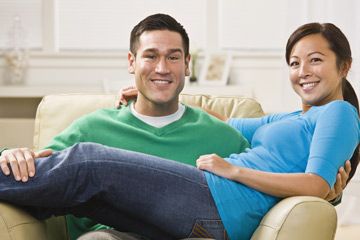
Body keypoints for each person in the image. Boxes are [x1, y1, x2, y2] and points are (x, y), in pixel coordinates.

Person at [0, 20, 358, 240]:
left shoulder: (340, 113)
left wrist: (235, 171)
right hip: (212, 210)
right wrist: (152, 87)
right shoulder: (291, 120)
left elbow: (317, 184)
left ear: (344, 66)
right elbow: (224, 120)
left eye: (316, 60)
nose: (303, 71)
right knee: (87, 195)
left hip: (219, 200)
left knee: (88, 160)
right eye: (295, 62)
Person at [0, 14, 248, 239]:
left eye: (173, 57)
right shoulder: (92, 127)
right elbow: (43, 173)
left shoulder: (223, 137)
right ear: (132, 62)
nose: (162, 68)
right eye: (150, 56)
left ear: (187, 64)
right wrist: (9, 156)